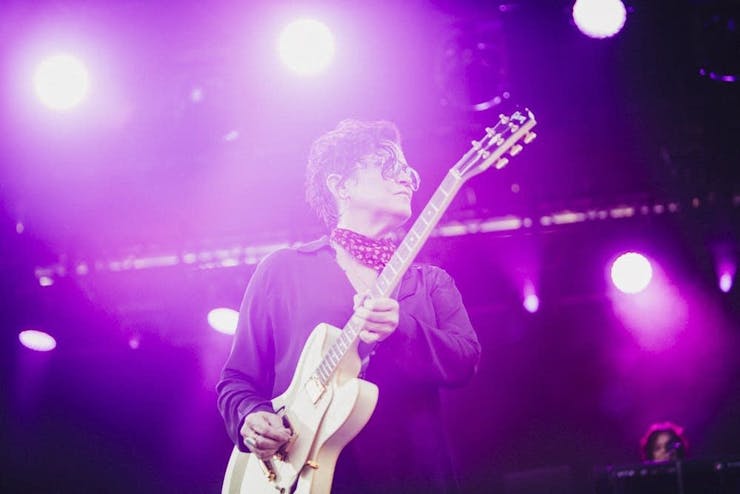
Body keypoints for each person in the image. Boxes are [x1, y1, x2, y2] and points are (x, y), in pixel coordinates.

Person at [217, 119, 481, 493]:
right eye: (388, 165)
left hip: (416, 479)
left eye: (408, 171)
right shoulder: (283, 271)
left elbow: (465, 361)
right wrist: (251, 416)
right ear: (341, 185)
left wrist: (401, 329)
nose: (406, 179)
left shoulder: (431, 283)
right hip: (308, 479)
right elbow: (238, 380)